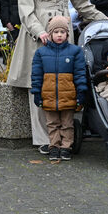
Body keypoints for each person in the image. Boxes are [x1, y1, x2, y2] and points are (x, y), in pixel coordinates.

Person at [7, 0, 107, 152]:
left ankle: (66, 138)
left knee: (64, 83)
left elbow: (82, 4)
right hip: (38, 32)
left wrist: (105, 19)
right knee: (40, 84)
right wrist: (40, 32)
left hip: (62, 30)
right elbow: (25, 9)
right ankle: (45, 140)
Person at [29, 15, 86, 162]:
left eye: (62, 32)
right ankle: (54, 146)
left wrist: (81, 92)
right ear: (49, 34)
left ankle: (66, 147)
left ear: (67, 34)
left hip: (68, 96)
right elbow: (36, 75)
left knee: (67, 124)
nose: (59, 35)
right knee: (52, 124)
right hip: (49, 96)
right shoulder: (41, 53)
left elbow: (80, 73)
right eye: (56, 32)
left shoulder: (75, 51)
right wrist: (37, 93)